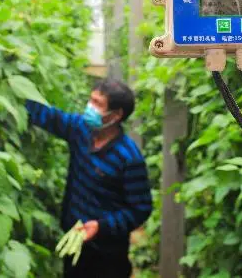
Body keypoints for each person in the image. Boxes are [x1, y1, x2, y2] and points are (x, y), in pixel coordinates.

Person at [25, 78, 153, 278]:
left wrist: (101, 226)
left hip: (108, 251)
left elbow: (141, 209)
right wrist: (14, 93)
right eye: (91, 100)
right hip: (74, 238)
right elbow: (50, 117)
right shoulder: (80, 130)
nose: (90, 108)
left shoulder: (128, 157)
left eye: (98, 104)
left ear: (116, 115)